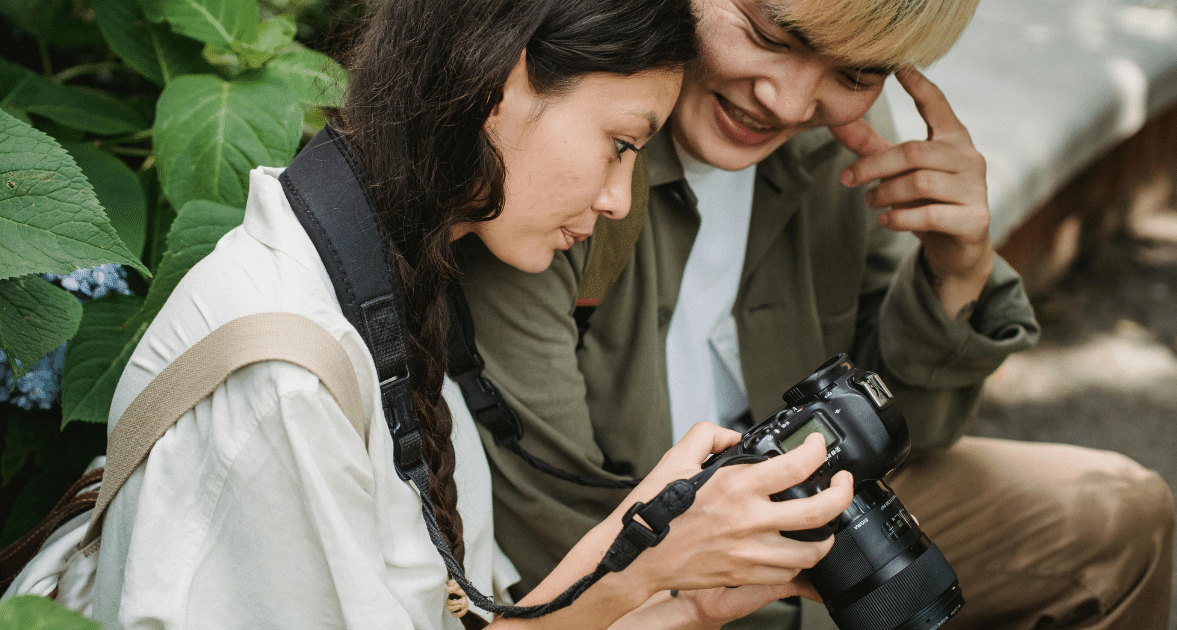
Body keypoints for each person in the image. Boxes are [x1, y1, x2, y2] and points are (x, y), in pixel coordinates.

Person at [92, 1, 864, 628]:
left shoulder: (386, 289)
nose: (618, 198)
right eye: (621, 144)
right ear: (504, 80)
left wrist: (686, 599)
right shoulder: (288, 381)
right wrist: (642, 555)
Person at [458, 0, 1177, 628]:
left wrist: (956, 273)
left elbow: (913, 432)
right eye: (770, 36)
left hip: (816, 514)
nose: (791, 102)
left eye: (857, 73)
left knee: (1119, 518)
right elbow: (563, 539)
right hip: (646, 560)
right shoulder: (564, 178)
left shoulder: (844, 136)